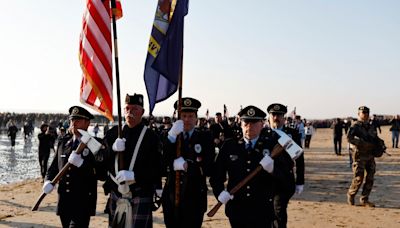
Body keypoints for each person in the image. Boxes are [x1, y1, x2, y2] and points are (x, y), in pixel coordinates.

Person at [210, 105, 295, 228]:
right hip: (237, 209)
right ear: (241, 124)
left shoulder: (273, 146)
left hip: (263, 210)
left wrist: (273, 170)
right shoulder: (229, 146)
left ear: (262, 124)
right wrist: (219, 193)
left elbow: (287, 181)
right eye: (246, 122)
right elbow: (216, 176)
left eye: (254, 123)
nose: (249, 126)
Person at [102, 93, 162, 228]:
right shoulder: (112, 134)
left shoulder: (151, 137)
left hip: (140, 192)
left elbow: (157, 168)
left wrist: (136, 175)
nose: (130, 112)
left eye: (134, 109)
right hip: (116, 194)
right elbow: (101, 165)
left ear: (142, 111)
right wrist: (111, 149)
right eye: (127, 108)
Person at [43, 106, 105, 227]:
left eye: (78, 120)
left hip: (83, 201)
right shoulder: (63, 142)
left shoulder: (95, 144)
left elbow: (102, 173)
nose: (74, 123)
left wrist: (82, 164)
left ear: (87, 123)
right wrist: (47, 181)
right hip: (64, 200)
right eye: (72, 120)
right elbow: (54, 167)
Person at [161, 97, 215, 228]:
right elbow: (161, 163)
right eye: (183, 116)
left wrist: (188, 167)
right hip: (172, 197)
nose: (186, 119)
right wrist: (171, 137)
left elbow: (208, 167)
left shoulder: (205, 137)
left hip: (195, 197)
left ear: (196, 118)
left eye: (191, 116)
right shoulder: (168, 136)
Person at [264, 103, 305, 228]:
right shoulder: (262, 133)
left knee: (279, 211)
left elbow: (299, 158)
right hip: (265, 180)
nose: (276, 117)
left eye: (279, 115)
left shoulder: (291, 134)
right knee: (265, 212)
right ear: (269, 117)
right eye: (273, 114)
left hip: (284, 180)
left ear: (284, 117)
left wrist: (300, 181)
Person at [347, 106, 382, 207]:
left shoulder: (370, 126)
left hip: (370, 155)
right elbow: (349, 138)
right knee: (359, 178)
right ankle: (351, 194)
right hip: (359, 155)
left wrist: (380, 144)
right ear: (359, 114)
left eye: (367, 112)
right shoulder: (355, 126)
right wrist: (361, 143)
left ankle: (364, 199)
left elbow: (375, 137)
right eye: (363, 112)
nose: (365, 114)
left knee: (370, 177)